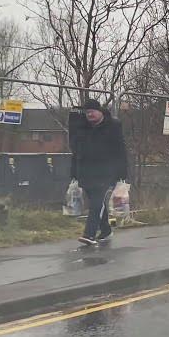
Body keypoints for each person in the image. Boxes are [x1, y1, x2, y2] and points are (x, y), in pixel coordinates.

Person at [70, 99, 128, 247]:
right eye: (87, 112)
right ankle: (106, 230)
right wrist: (74, 173)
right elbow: (76, 151)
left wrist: (122, 172)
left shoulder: (113, 126)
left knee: (97, 201)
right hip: (86, 171)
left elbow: (120, 149)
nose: (89, 115)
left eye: (92, 111)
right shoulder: (82, 128)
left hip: (106, 171)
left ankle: (89, 233)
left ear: (100, 111)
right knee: (96, 202)